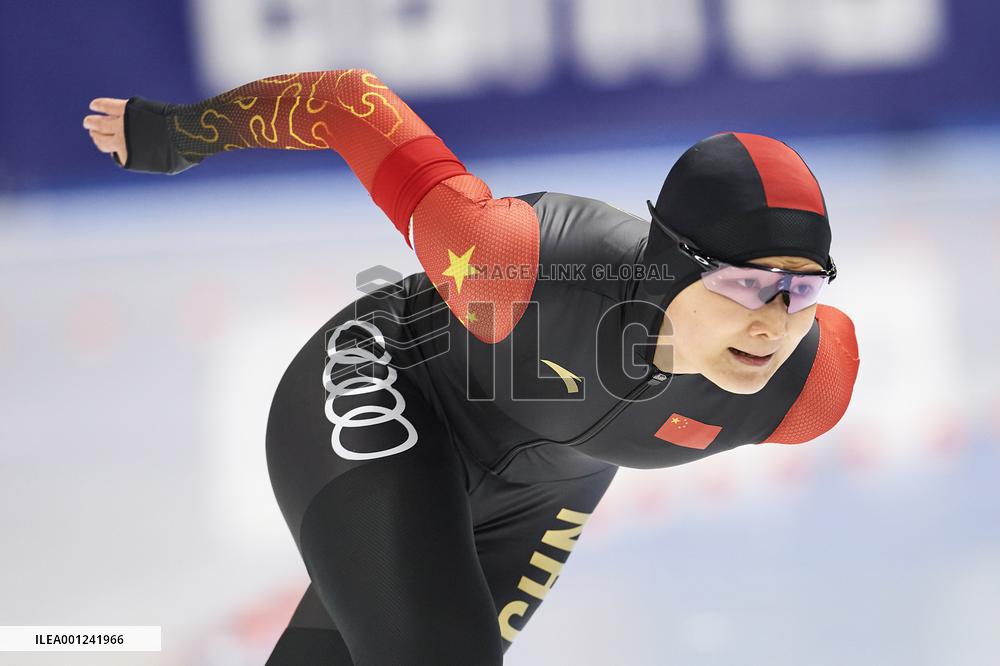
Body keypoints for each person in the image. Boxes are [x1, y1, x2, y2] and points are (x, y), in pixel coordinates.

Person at [83, 70, 860, 665]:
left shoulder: (807, 388)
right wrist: (178, 133)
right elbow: (349, 104)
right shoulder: (513, 264)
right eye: (744, 283)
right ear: (668, 267)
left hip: (545, 490)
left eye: (801, 288)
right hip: (391, 389)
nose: (772, 321)